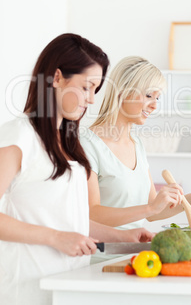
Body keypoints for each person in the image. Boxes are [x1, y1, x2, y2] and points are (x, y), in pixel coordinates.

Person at [0, 36, 154, 305]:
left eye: (96, 89)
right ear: (57, 78)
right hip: (26, 291)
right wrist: (55, 238)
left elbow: (70, 220)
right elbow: (59, 232)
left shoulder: (69, 145)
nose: (92, 100)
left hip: (68, 287)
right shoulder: (18, 136)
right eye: (87, 87)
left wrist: (125, 237)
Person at [80, 56, 191, 232]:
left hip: (136, 253)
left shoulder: (136, 144)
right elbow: (91, 214)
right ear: (123, 92)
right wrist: (150, 208)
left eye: (157, 98)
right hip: (101, 256)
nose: (154, 105)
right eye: (149, 95)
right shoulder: (87, 144)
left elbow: (153, 211)